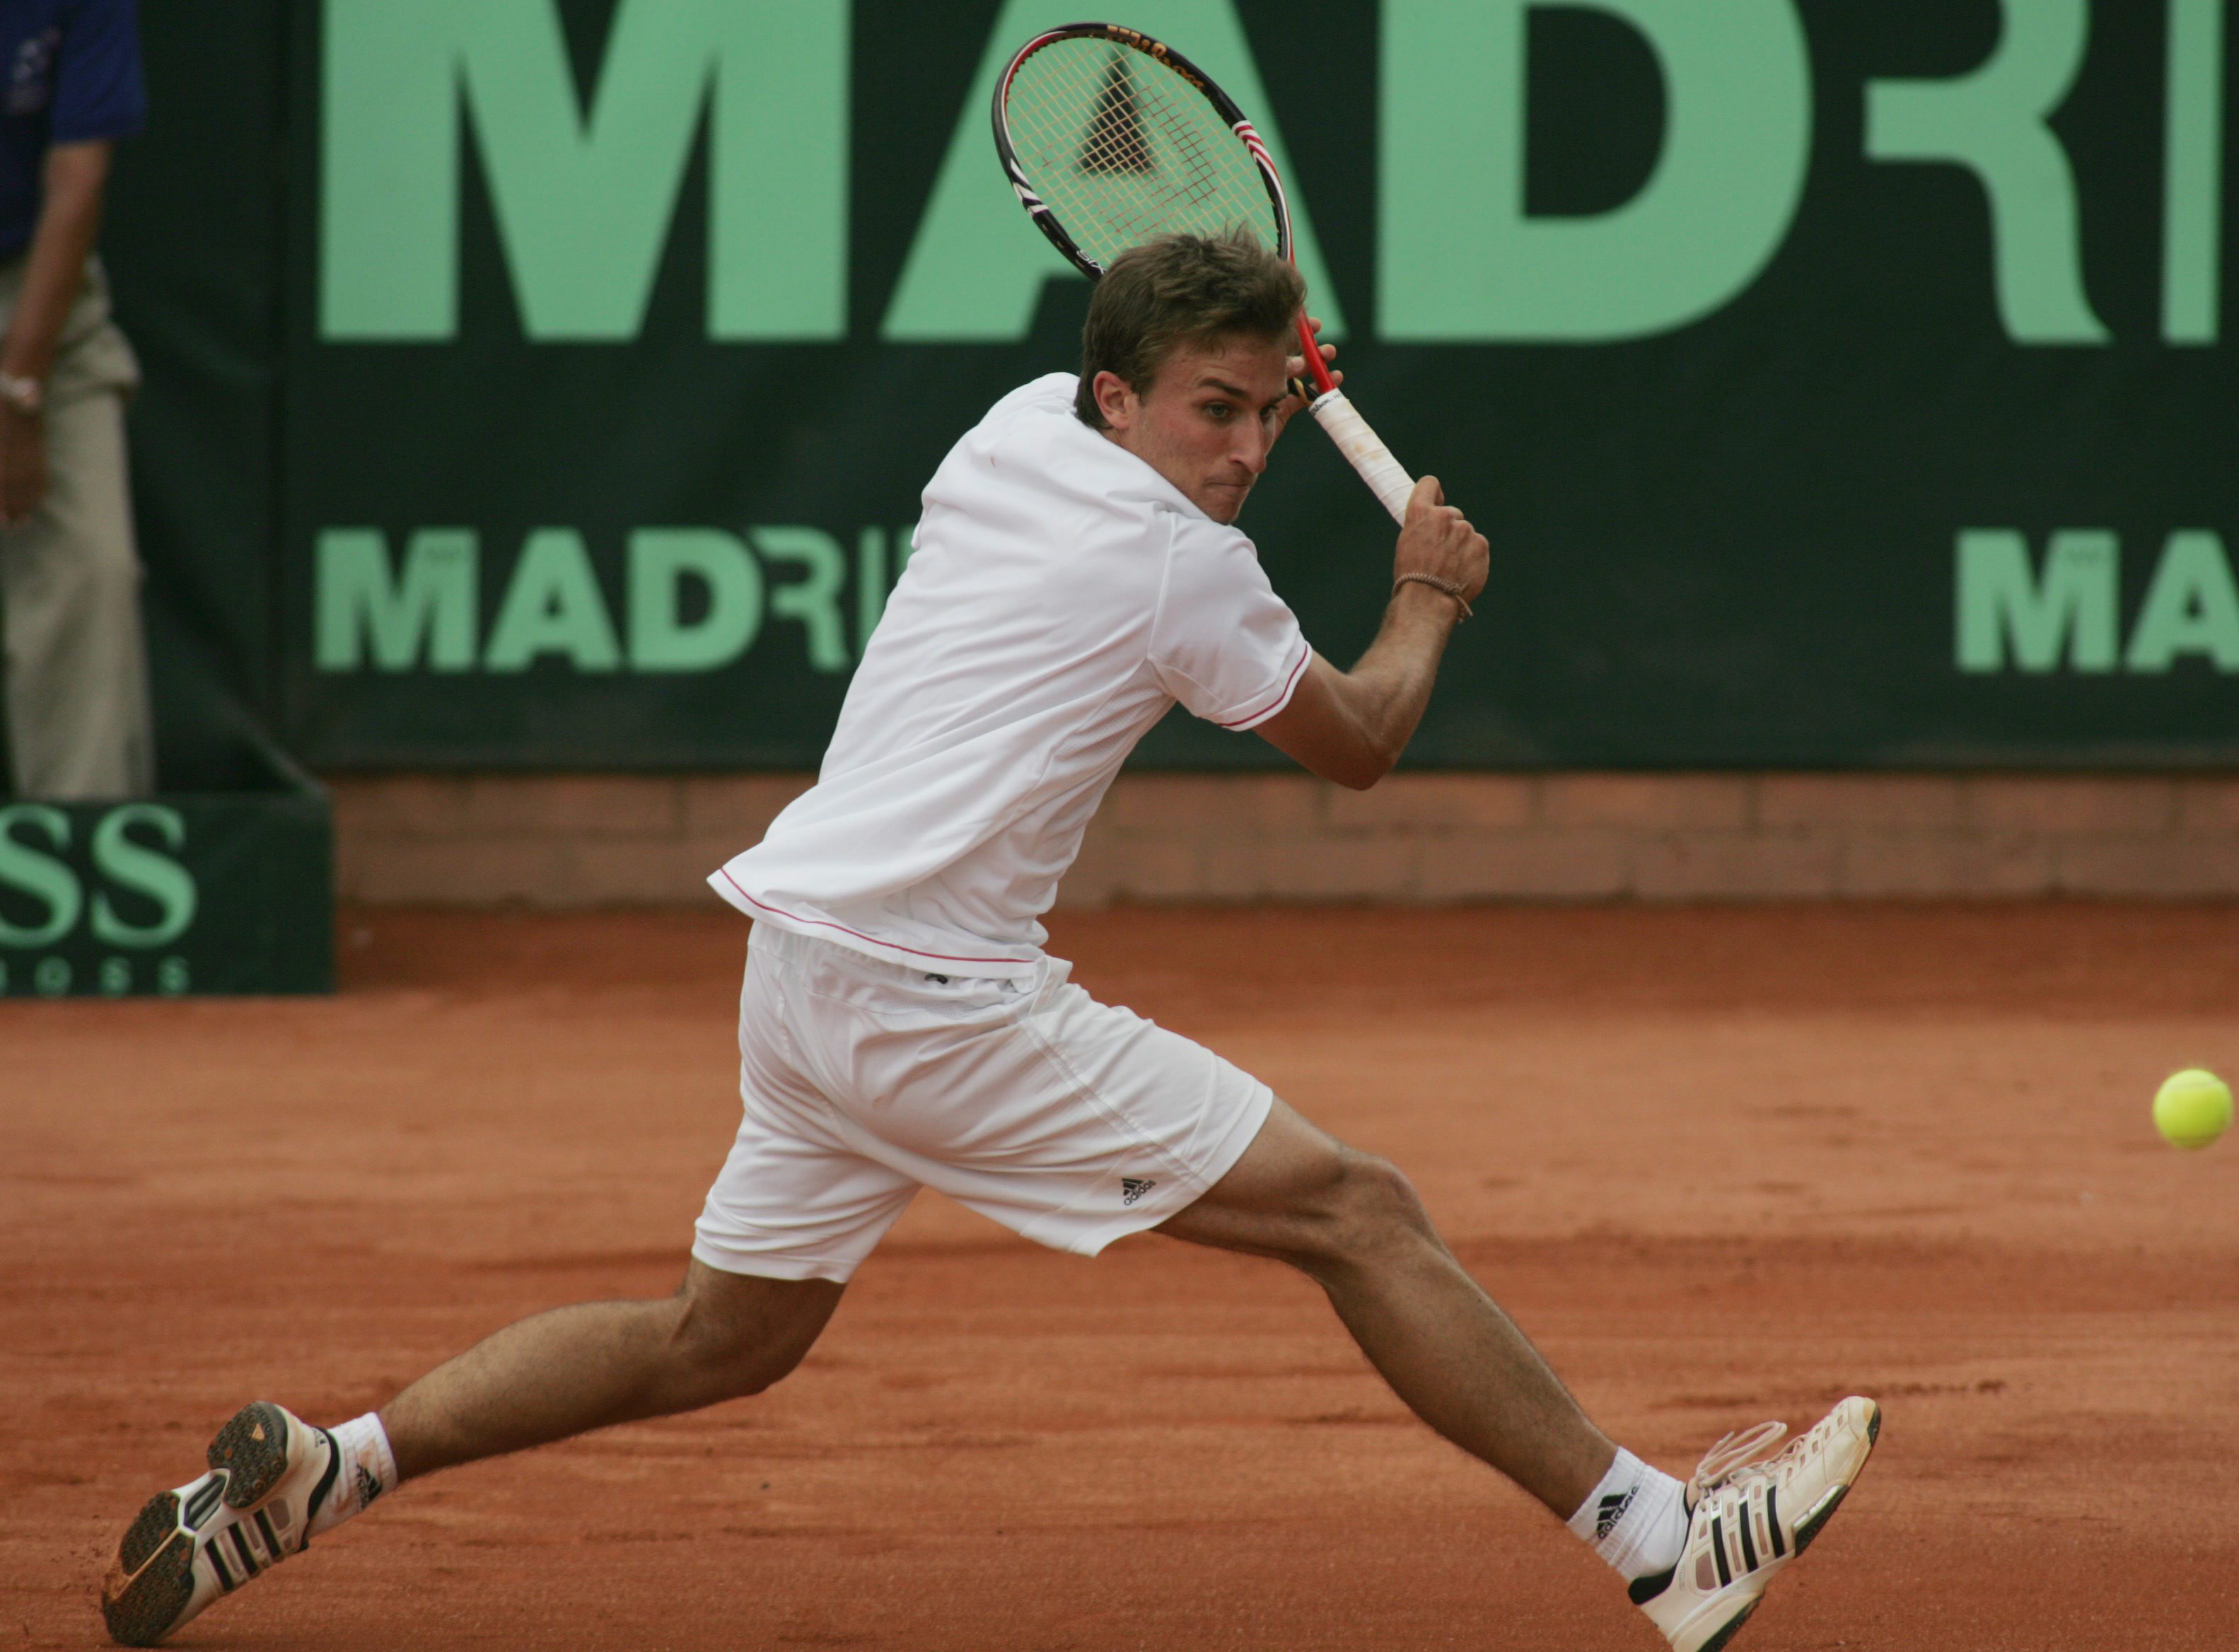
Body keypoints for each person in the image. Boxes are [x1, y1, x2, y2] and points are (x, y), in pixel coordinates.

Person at [100, 234, 1875, 1650]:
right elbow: (1359, 740)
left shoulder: (1013, 425)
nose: (1244, 450)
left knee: (718, 1336)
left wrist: (1247, 358)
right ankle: (1661, 1539)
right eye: (1209, 410)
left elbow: (1172, 434)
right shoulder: (1185, 569)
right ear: (1119, 395)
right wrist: (1424, 593)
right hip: (934, 1004)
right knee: (1356, 1208)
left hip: (800, 972)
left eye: (1267, 410)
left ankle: (331, 1469)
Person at [0, 0, 151, 800]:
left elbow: (78, 175)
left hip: (43, 304)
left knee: (92, 574)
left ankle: (82, 854)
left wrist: (18, 394)